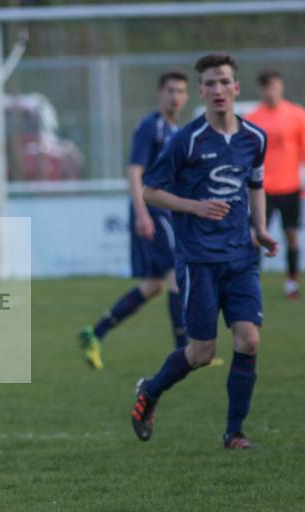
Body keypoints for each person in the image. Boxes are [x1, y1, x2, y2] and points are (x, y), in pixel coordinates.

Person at [131, 54, 278, 450]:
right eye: (209, 84)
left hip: (241, 257)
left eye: (223, 82)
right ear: (202, 92)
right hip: (199, 260)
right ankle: (151, 390)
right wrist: (195, 206)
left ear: (236, 89)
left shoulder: (255, 138)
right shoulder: (187, 140)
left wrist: (260, 229)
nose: (217, 90)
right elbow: (150, 190)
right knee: (200, 353)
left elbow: (256, 184)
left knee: (248, 340)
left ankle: (234, 433)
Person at [79, 72, 190, 370]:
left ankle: (96, 332)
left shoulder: (174, 129)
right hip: (151, 211)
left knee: (153, 285)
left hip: (164, 210)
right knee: (175, 275)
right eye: (170, 90)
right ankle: (184, 351)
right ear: (160, 93)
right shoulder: (150, 126)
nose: (175, 96)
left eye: (180, 91)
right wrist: (141, 212)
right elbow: (134, 171)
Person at [244, 69, 305, 299]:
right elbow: (245, 155)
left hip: (290, 187)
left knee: (291, 235)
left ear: (281, 87)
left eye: (274, 86)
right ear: (261, 90)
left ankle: (292, 283)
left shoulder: (296, 114)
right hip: (260, 190)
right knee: (255, 237)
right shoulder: (253, 118)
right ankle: (252, 283)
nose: (270, 92)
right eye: (266, 87)